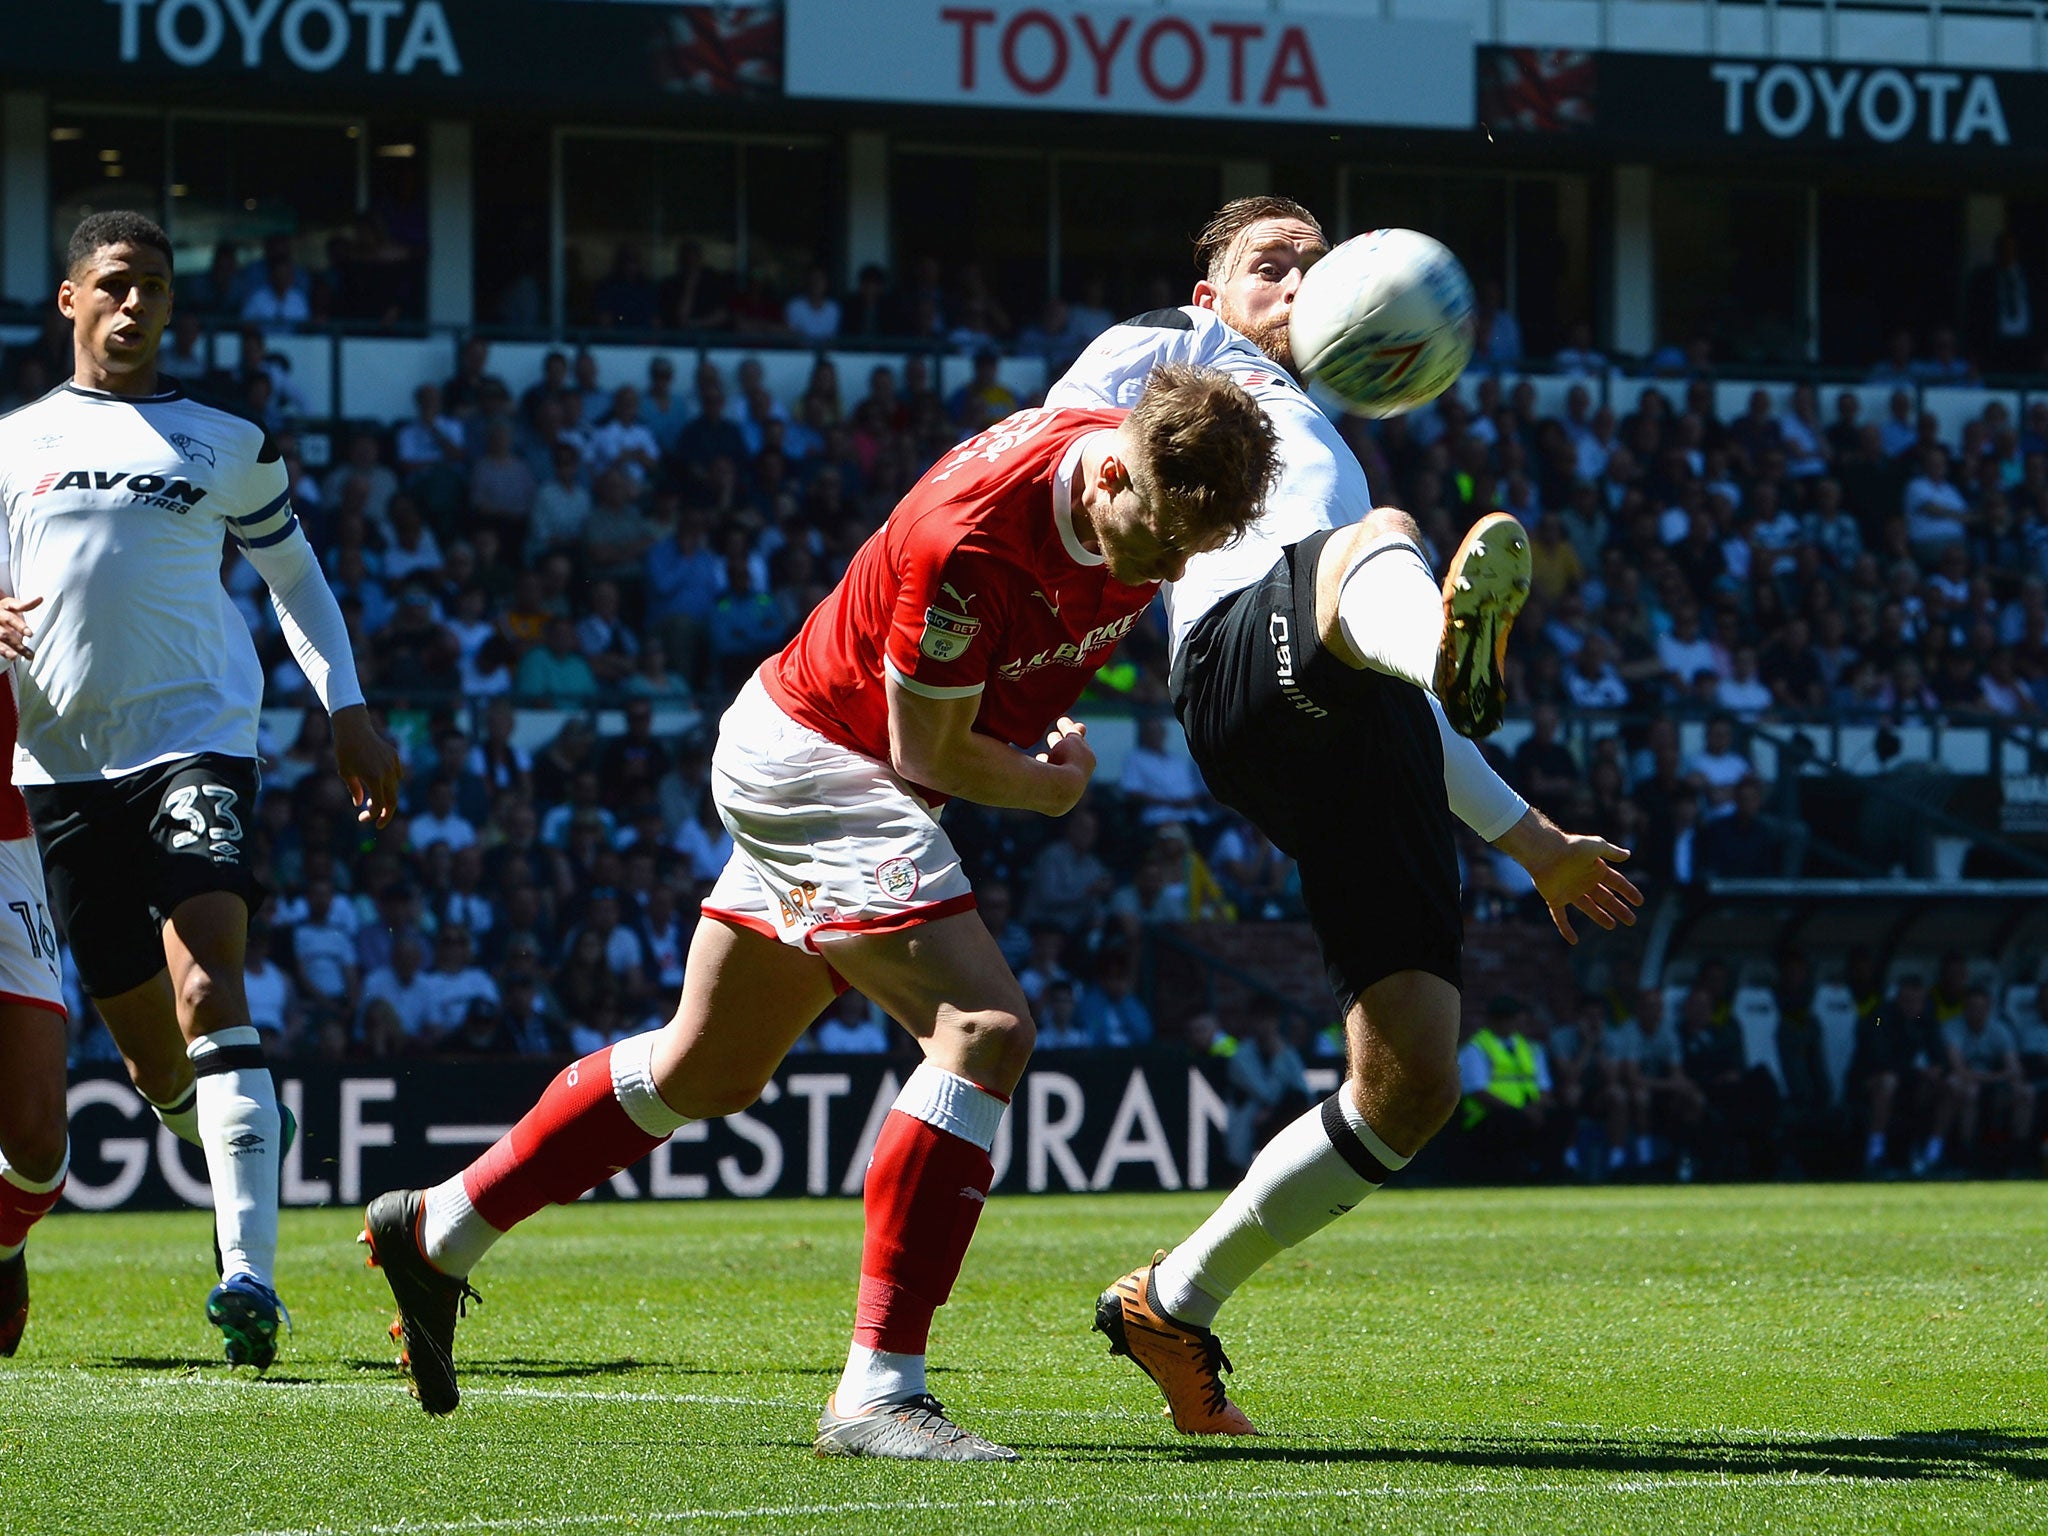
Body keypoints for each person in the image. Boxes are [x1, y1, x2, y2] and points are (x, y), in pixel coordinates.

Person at [361, 361, 1280, 1459]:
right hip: (828, 763)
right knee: (984, 1029)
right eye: (1162, 538)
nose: (1172, 567)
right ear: (1108, 478)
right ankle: (876, 1390)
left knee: (707, 1070)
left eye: (1195, 547)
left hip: (827, 749)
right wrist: (1048, 788)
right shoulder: (970, 540)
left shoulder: (1136, 461)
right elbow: (923, 750)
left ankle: (438, 1226)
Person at [1052, 196, 1639, 1436]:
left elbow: (1407, 709)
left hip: (1355, 714)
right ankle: (1434, 638)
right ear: (1208, 297)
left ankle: (1170, 1299)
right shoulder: (1178, 353)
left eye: (1319, 263)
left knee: (1411, 1083)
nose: (1303, 280)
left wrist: (1533, 842)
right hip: (1237, 661)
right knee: (1372, 545)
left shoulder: (1330, 436)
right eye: (1273, 264)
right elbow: (1050, 448)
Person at [0, 212, 400, 1368]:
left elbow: (294, 575)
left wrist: (349, 708)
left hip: (196, 742)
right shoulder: (13, 443)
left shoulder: (226, 443)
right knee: (150, 1061)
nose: (136, 307)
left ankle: (249, 1277)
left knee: (205, 988)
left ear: (173, 307)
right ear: (69, 301)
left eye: (155, 289)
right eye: (114, 286)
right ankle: (245, 1132)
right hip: (57, 768)